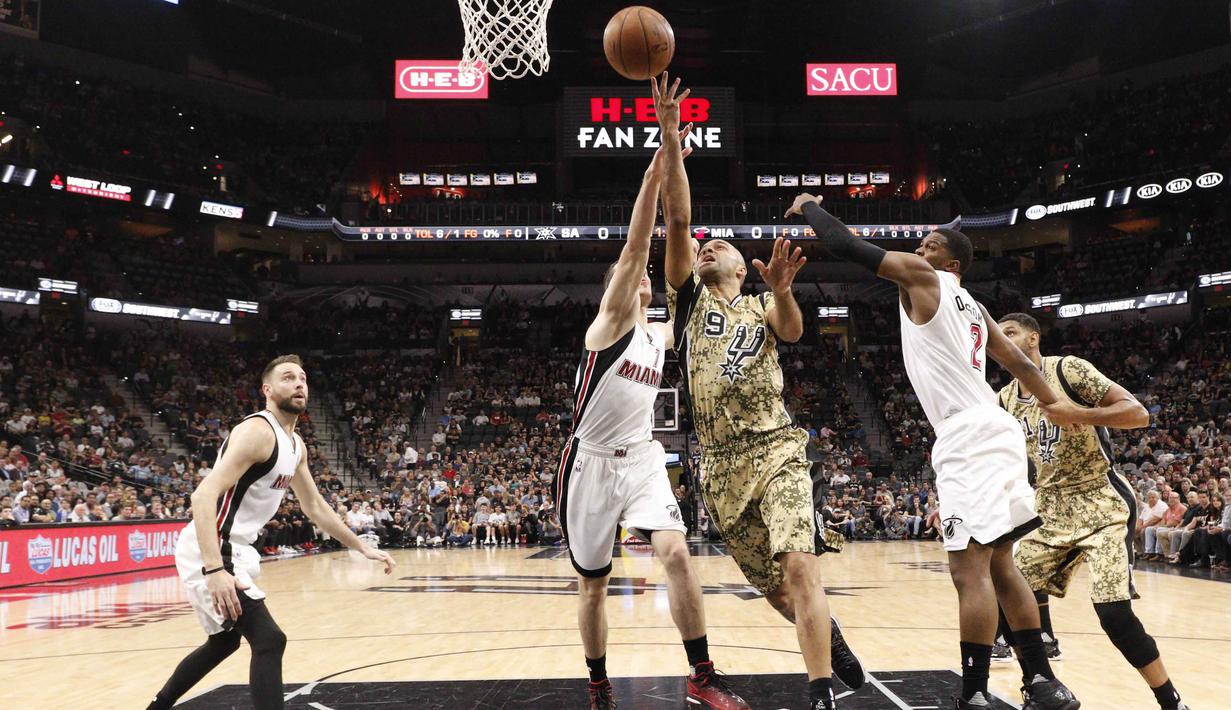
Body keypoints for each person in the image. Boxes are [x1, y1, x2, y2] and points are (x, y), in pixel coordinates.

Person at [789, 196, 1078, 710]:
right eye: (921, 242)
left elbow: (845, 245)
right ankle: (1042, 682)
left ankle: (975, 694)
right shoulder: (977, 310)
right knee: (1002, 565)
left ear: (952, 265)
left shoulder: (926, 278)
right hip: (998, 427)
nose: (921, 248)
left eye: (932, 245)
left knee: (969, 571)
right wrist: (1059, 407)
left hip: (967, 435)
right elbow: (1020, 364)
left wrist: (811, 207)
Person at [664, 78, 862, 710]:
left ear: (742, 264)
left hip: (776, 449)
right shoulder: (689, 303)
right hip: (718, 466)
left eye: (719, 245)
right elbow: (678, 218)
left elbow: (795, 331)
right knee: (778, 590)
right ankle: (829, 636)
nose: (707, 246)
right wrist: (671, 140)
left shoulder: (758, 304)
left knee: (802, 567)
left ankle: (820, 692)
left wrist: (781, 289)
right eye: (704, 247)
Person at [558, 78, 746, 710]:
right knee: (593, 586)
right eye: (628, 270)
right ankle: (598, 682)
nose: (638, 272)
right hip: (588, 463)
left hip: (641, 456)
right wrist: (655, 167)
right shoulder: (608, 323)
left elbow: (678, 239)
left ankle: (702, 674)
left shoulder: (658, 331)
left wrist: (673, 156)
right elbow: (642, 240)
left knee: (677, 555)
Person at [147, 355, 394, 710]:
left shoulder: (296, 445)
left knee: (224, 643)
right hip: (213, 547)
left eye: (303, 378)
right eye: (288, 377)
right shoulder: (257, 432)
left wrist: (360, 547)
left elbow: (315, 507)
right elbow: (202, 497)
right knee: (269, 640)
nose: (298, 384)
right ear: (267, 389)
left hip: (238, 548)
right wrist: (215, 570)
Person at [995, 313, 1188, 710]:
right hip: (1048, 508)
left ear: (1033, 339)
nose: (1003, 339)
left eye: (1010, 332)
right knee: (1008, 596)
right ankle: (1044, 687)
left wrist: (1080, 414)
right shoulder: (1004, 400)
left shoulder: (1068, 370)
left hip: (1101, 501)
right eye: (998, 335)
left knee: (1114, 615)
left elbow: (1138, 414)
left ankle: (1171, 702)